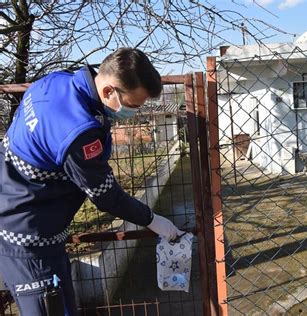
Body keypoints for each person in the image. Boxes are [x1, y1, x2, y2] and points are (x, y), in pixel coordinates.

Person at [0, 48, 183, 315]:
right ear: (109, 91)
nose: (134, 113)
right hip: (30, 238)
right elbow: (106, 195)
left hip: (15, 207)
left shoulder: (56, 82)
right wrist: (152, 219)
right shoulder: (78, 132)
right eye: (132, 106)